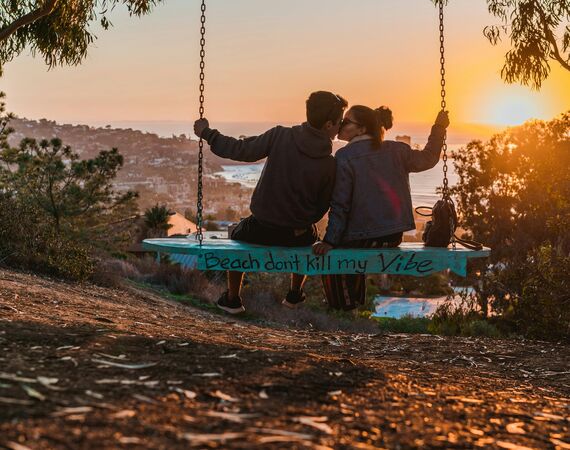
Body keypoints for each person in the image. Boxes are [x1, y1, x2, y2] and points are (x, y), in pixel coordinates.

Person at [194, 91, 348, 314]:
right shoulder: (329, 164)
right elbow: (323, 205)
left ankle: (233, 298)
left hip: (260, 229)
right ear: (328, 125)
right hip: (298, 235)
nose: (340, 127)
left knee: (236, 234)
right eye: (339, 123)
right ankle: (295, 293)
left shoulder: (280, 135)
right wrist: (301, 219)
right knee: (311, 237)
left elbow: (241, 150)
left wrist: (207, 133)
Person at [313, 105, 450, 310]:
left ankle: (345, 307)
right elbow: (429, 158)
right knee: (346, 248)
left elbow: (341, 204)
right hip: (392, 237)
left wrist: (330, 240)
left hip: (363, 238)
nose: (341, 124)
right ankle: (353, 305)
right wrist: (439, 127)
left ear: (362, 129)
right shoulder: (398, 150)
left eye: (347, 121)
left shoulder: (344, 156)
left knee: (334, 258)